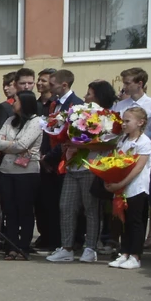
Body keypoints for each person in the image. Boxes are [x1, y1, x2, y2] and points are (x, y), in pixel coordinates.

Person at [46, 78, 115, 263]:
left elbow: (108, 144)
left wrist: (81, 144)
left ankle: (90, 248)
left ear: (99, 96)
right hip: (73, 167)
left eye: (89, 94)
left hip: (91, 167)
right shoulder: (79, 113)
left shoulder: (108, 117)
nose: (85, 97)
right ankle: (66, 247)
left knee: (91, 209)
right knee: (66, 206)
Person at [0, 91, 44, 260]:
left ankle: (24, 246)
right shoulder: (10, 120)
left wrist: (9, 145)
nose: (13, 103)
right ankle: (11, 246)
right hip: (6, 171)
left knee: (25, 210)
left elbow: (23, 144)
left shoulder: (36, 122)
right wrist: (13, 146)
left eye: (16, 101)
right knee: (9, 210)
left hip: (27, 172)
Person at [106, 106, 151, 270]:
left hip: (136, 188)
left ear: (140, 122)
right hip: (122, 189)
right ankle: (125, 252)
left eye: (127, 121)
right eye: (123, 121)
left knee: (135, 222)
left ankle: (135, 255)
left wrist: (120, 184)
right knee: (124, 222)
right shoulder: (122, 140)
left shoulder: (144, 142)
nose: (124, 124)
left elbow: (138, 168)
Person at [38, 69, 77, 252]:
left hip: (64, 160)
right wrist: (44, 157)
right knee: (50, 203)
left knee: (66, 205)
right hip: (50, 160)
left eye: (52, 84)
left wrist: (50, 156)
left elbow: (69, 137)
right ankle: (52, 239)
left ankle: (67, 242)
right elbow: (50, 131)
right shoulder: (54, 104)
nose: (49, 87)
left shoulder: (75, 105)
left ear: (64, 85)